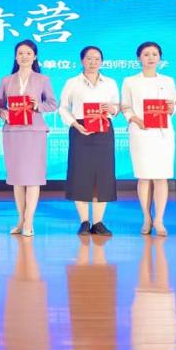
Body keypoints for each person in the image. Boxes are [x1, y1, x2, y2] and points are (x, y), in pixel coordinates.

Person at [0, 39, 57, 237]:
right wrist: (5, 114)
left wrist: (36, 106)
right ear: (15, 57)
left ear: (35, 56)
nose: (24, 56)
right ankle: (20, 220)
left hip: (34, 132)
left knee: (33, 179)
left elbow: (52, 104)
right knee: (17, 179)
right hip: (13, 132)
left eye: (28, 53)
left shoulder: (43, 79)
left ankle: (29, 221)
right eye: (21, 53)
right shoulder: (6, 80)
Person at [57, 45, 119, 236]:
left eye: (97, 59)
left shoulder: (110, 83)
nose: (93, 62)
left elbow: (116, 107)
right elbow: (63, 108)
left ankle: (98, 222)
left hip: (103, 129)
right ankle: (84, 222)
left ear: (102, 62)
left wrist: (112, 109)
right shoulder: (72, 83)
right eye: (89, 58)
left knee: (103, 174)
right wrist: (75, 124)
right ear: (82, 61)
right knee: (80, 174)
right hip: (80, 129)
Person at [120, 42, 176, 236]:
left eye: (154, 54)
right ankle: (146, 218)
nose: (150, 58)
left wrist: (171, 108)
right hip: (141, 132)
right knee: (144, 176)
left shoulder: (168, 81)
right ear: (139, 58)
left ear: (160, 58)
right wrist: (136, 120)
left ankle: (159, 220)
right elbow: (125, 107)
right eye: (146, 54)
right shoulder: (130, 81)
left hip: (163, 133)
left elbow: (173, 106)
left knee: (161, 177)